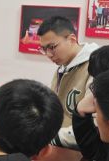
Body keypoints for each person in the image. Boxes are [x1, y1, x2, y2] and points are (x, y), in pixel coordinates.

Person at [37, 16, 98, 148]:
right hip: (60, 145)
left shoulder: (96, 67)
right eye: (44, 49)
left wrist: (48, 138)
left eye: (52, 47)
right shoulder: (63, 66)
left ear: (71, 39)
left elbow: (96, 123)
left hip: (82, 150)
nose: (48, 54)